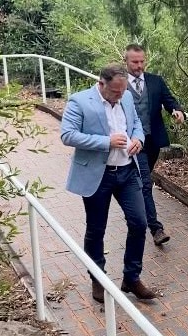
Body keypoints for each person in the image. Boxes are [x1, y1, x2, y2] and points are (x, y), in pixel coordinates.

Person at [60, 63, 157, 303]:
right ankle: (98, 278)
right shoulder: (80, 101)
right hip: (98, 176)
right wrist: (105, 141)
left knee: (139, 223)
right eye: (115, 92)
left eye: (123, 91)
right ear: (101, 83)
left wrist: (138, 139)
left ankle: (131, 277)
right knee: (96, 230)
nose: (120, 96)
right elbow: (67, 135)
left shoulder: (125, 97)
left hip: (126, 172)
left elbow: (136, 125)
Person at [124, 43, 185, 246]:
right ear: (126, 61)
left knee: (141, 181)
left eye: (142, 61)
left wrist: (177, 111)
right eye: (135, 62)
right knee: (145, 182)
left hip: (153, 140)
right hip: (133, 142)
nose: (139, 65)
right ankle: (156, 228)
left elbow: (170, 100)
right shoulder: (119, 83)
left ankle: (134, 206)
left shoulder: (155, 81)